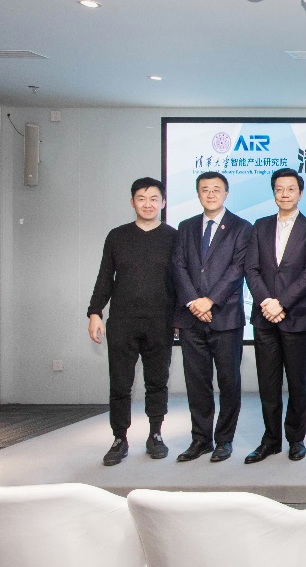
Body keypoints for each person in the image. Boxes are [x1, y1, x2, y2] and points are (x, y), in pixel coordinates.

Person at [86, 177, 178, 466]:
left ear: (163, 202)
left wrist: (179, 318)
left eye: (154, 198)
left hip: (160, 321)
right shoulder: (117, 236)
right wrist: (95, 312)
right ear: (132, 202)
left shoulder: (173, 237)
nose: (147, 204)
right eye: (141, 198)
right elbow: (105, 277)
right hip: (123, 321)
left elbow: (179, 281)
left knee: (157, 381)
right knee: (120, 383)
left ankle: (155, 434)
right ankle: (119, 438)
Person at [243, 168, 306, 464]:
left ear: (300, 193)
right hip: (264, 317)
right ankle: (270, 440)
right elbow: (251, 268)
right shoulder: (260, 226)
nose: (285, 194)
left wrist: (283, 303)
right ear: (274, 192)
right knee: (268, 383)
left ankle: (295, 439)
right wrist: (267, 301)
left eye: (291, 189)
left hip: (296, 316)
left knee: (297, 383)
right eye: (279, 189)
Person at [172, 171, 253, 463]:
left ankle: (224, 440)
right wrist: (194, 301)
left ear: (226, 194)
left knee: (229, 382)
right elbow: (178, 265)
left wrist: (210, 300)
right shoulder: (186, 226)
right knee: (197, 382)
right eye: (204, 189)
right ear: (198, 194)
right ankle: (200, 439)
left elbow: (237, 269)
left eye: (216, 189)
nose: (210, 194)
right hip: (191, 317)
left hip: (225, 316)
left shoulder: (241, 227)